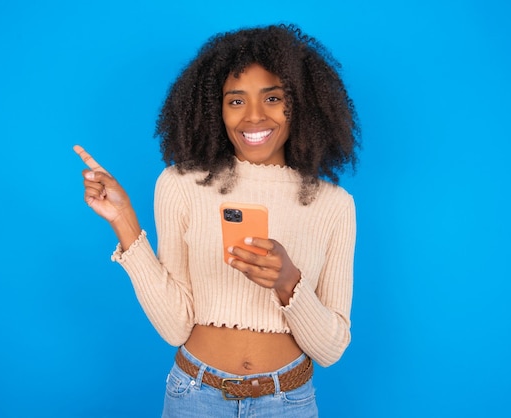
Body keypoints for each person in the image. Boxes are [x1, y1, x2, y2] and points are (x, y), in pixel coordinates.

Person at [74, 23, 360, 417]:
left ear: (303, 104)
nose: (254, 117)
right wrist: (123, 219)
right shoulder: (180, 184)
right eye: (236, 100)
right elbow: (175, 327)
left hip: (288, 402)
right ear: (215, 108)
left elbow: (330, 349)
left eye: (273, 97)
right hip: (195, 396)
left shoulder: (334, 205)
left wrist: (288, 282)